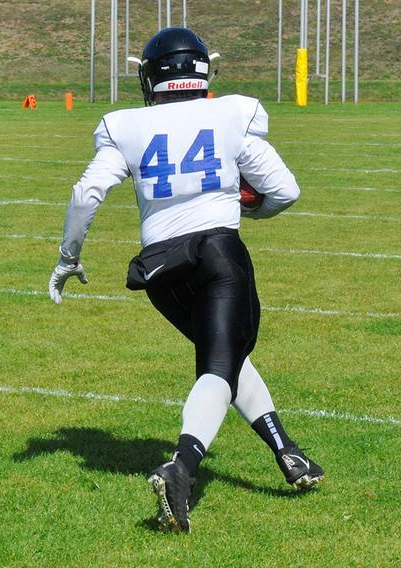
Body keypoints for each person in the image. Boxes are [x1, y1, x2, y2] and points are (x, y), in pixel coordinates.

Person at [48, 28, 323, 533]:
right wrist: (254, 209)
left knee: (227, 357)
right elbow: (284, 190)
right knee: (219, 365)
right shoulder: (232, 113)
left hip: (159, 269)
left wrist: (68, 256)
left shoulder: (124, 125)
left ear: (151, 76)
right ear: (202, 70)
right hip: (218, 253)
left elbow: (88, 193)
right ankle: (182, 468)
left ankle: (288, 452)